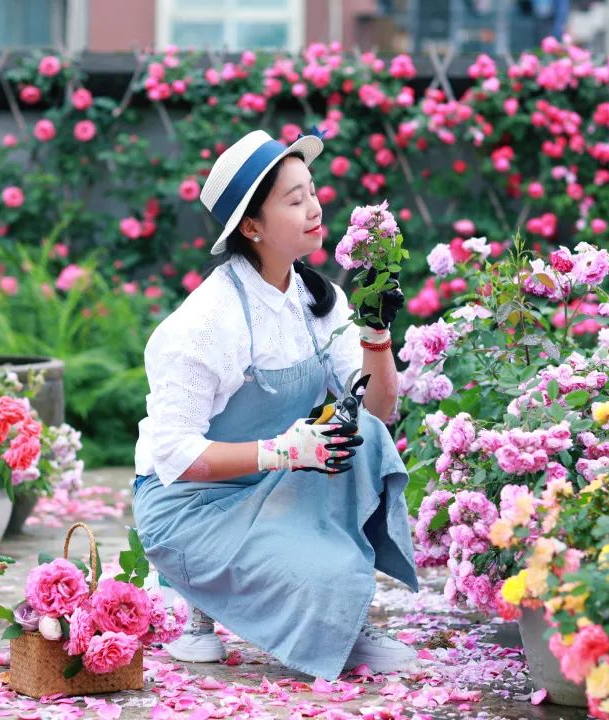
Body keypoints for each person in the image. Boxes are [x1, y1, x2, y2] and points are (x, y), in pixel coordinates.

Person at [131, 129, 419, 680]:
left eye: (312, 191)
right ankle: (190, 588)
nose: (314, 208)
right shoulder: (206, 323)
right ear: (252, 227)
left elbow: (378, 410)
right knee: (331, 578)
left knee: (367, 440)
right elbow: (174, 456)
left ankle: (330, 606)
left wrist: (377, 332)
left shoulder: (316, 299)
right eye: (294, 200)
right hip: (191, 508)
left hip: (277, 486)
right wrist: (282, 451)